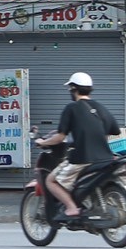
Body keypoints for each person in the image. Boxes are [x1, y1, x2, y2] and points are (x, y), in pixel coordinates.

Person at [36, 71, 118, 225]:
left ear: (73, 89)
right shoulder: (101, 107)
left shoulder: (71, 108)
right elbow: (114, 130)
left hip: (81, 159)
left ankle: (71, 208)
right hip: (106, 158)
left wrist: (43, 142)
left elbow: (60, 137)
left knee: (51, 181)